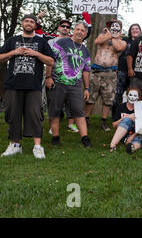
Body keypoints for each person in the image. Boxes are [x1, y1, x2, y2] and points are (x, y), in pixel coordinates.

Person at [0, 14, 54, 159]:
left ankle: (37, 146)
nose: (29, 23)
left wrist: (35, 53)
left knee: (35, 113)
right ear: (22, 23)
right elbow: (1, 57)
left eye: (32, 21)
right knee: (13, 113)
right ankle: (15, 145)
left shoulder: (41, 41)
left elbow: (50, 61)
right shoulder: (12, 40)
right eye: (26, 21)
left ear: (36, 25)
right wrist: (13, 52)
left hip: (33, 85)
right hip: (13, 84)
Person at [45, 22, 93, 148]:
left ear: (85, 34)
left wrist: (87, 88)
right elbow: (50, 60)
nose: (79, 32)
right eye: (77, 29)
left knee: (78, 112)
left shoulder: (85, 51)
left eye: (82, 30)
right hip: (57, 83)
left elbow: (86, 71)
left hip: (75, 86)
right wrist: (48, 77)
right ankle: (55, 137)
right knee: (55, 111)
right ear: (74, 30)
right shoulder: (61, 42)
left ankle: (85, 138)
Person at [84, 19, 127, 131]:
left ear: (120, 29)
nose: (114, 28)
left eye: (116, 27)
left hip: (111, 73)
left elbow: (118, 48)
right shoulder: (103, 36)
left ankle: (103, 121)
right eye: (112, 26)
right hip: (97, 71)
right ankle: (86, 119)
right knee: (91, 98)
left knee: (108, 99)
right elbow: (97, 41)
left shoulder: (122, 41)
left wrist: (113, 36)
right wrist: (109, 34)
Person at [112, 22, 142, 118]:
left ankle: (134, 116)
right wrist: (115, 66)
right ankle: (115, 117)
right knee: (118, 94)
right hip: (122, 70)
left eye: (137, 28)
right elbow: (115, 53)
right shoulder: (124, 40)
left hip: (137, 73)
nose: (135, 30)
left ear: (140, 31)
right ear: (130, 31)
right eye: (132, 28)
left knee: (134, 94)